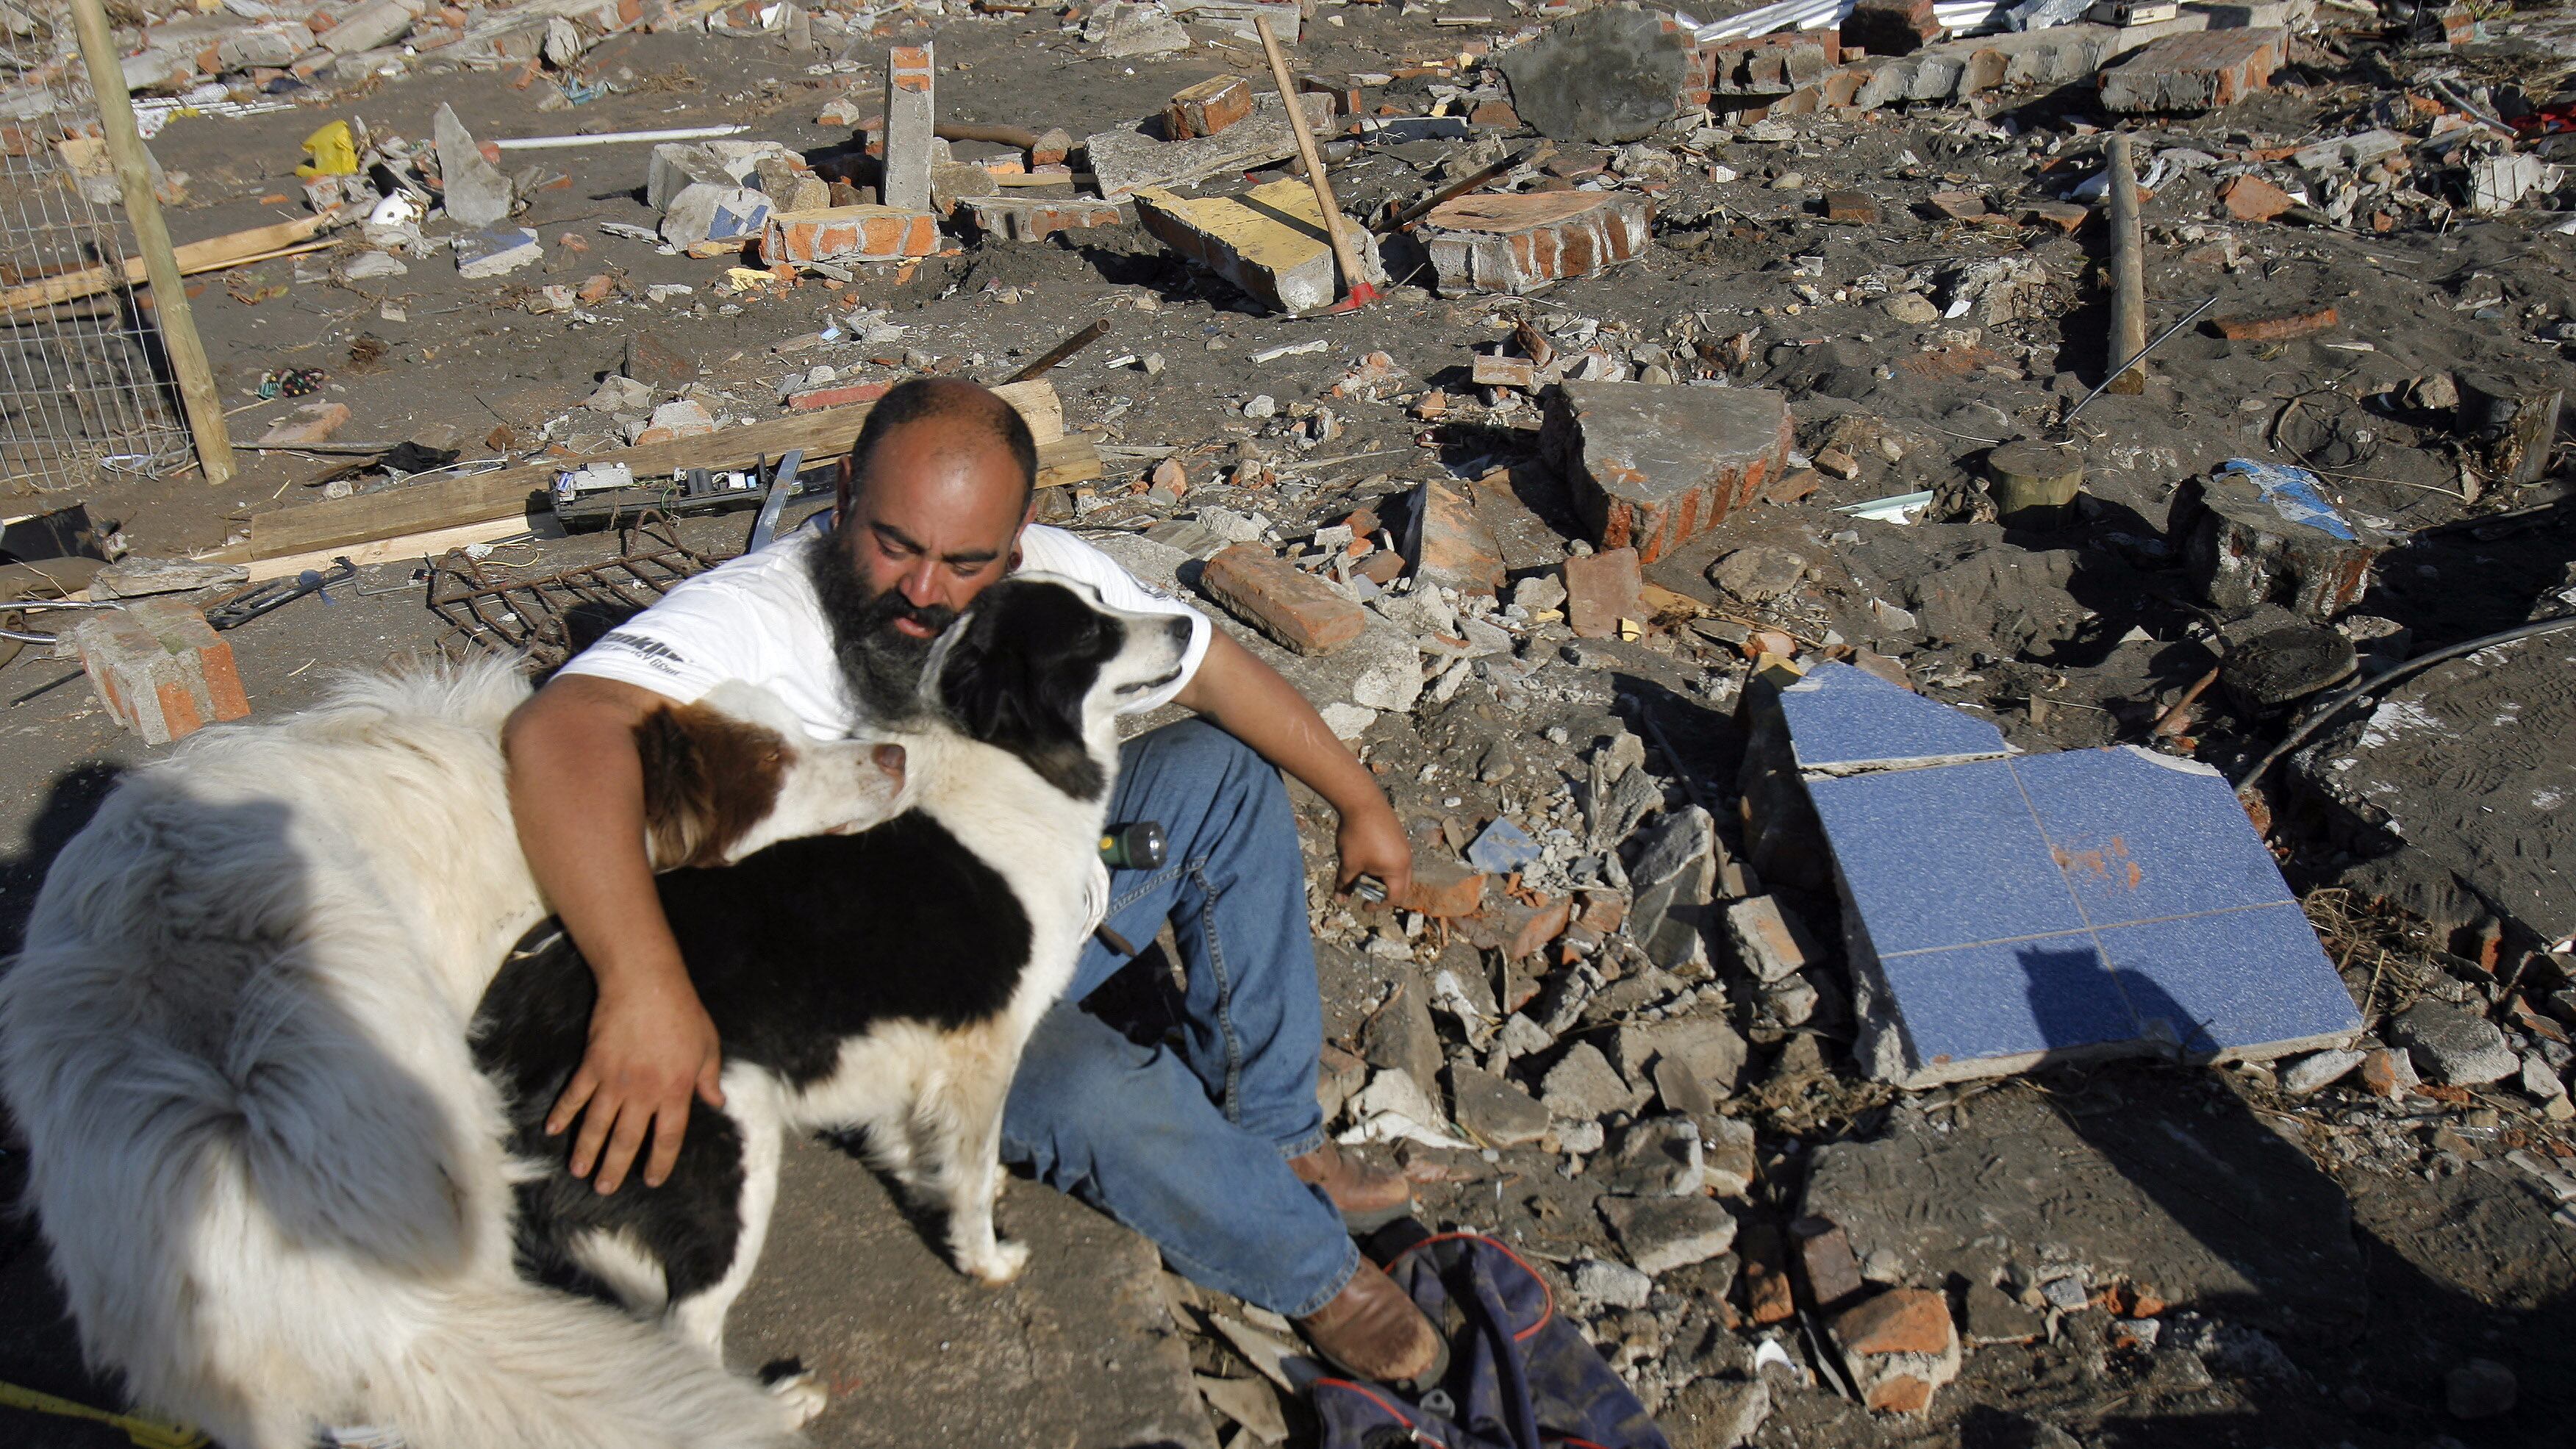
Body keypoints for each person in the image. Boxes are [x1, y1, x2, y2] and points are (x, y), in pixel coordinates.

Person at [502, 377, 1445, 1383]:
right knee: (1091, 1086)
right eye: (896, 544)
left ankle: (1282, 1139)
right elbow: (562, 730)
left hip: (1046, 892)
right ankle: (1308, 1270)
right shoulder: (758, 615)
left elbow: (1208, 665)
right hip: (910, 1001)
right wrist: (646, 984)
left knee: (1225, 778)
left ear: (1019, 537)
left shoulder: (1044, 580)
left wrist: (1364, 805)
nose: (925, 591)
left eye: (965, 561)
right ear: (846, 487)